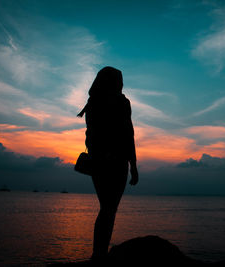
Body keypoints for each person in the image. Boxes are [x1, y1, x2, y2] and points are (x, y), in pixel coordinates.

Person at [77, 66, 139, 261]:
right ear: (116, 82)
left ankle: (98, 254)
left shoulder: (92, 102)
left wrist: (100, 153)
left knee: (106, 208)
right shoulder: (122, 102)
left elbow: (91, 136)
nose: (122, 84)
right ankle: (99, 255)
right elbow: (129, 135)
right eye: (119, 80)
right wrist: (133, 165)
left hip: (98, 162)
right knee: (109, 209)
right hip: (117, 163)